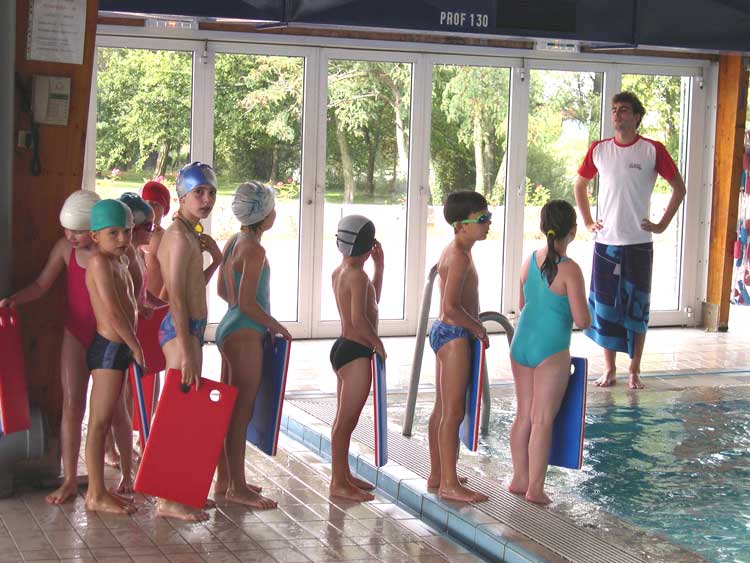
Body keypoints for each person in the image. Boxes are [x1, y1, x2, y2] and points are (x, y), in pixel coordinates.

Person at [574, 92, 686, 389]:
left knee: (637, 306)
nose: (617, 114)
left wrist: (661, 224)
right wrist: (587, 221)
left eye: (623, 110)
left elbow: (679, 187)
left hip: (638, 242)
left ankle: (634, 369)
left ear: (637, 117)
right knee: (605, 307)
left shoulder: (652, 150)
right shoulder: (599, 150)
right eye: (614, 110)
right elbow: (580, 185)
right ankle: (610, 368)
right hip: (606, 242)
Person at [0, 190, 100, 505]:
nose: (71, 236)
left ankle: (117, 477)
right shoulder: (64, 249)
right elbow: (42, 285)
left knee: (111, 412)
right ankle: (69, 480)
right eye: (67, 230)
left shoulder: (108, 253)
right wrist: (14, 300)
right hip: (76, 334)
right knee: (72, 405)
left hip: (108, 337)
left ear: (95, 229)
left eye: (78, 231)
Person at [508, 200, 591, 505]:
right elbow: (582, 320)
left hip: (521, 344)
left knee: (523, 415)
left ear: (543, 227)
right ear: (573, 231)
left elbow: (522, 304)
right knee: (542, 420)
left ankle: (519, 478)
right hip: (551, 349)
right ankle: (535, 488)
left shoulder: (529, 261)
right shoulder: (570, 270)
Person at [214, 182, 290, 510]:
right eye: (272, 208)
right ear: (264, 215)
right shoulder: (255, 251)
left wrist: (245, 314)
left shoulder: (234, 241)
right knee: (240, 413)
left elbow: (223, 290)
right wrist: (275, 325)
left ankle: (225, 480)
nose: (275, 213)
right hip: (245, 333)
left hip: (229, 328)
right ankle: (238, 487)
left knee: (228, 410)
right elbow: (248, 303)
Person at [155, 161, 223, 521]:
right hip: (181, 330)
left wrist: (216, 259)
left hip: (190, 329)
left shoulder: (189, 233)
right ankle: (167, 500)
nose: (206, 199)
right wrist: (187, 350)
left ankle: (177, 491)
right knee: (175, 414)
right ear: (182, 196)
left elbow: (192, 285)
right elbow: (177, 299)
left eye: (211, 192)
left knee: (185, 412)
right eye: (199, 192)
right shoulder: (180, 238)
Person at [427, 191, 490, 504]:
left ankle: (439, 473)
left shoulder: (454, 249)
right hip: (453, 336)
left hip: (443, 333)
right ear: (461, 225)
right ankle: (449, 485)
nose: (488, 223)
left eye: (488, 217)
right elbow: (450, 307)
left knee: (442, 408)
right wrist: (477, 327)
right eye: (482, 219)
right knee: (453, 412)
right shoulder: (460, 257)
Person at [84, 199, 141, 515]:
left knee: (118, 415)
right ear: (95, 236)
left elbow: (130, 301)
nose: (122, 239)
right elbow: (114, 312)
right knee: (99, 422)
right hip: (108, 350)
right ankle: (95, 494)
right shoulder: (98, 263)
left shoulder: (121, 259)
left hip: (119, 349)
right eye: (113, 233)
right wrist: (136, 346)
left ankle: (117, 483)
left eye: (127, 231)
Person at [329, 215, 386, 502]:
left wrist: (379, 268)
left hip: (342, 349)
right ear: (367, 246)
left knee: (342, 421)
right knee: (345, 423)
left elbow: (370, 302)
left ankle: (344, 475)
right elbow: (359, 320)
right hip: (356, 355)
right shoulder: (358, 276)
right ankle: (338, 483)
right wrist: (378, 344)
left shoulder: (341, 272)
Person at [141, 180, 171, 299]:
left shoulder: (164, 239)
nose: (149, 208)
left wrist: (160, 304)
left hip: (157, 302)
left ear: (164, 210)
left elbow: (171, 279)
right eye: (146, 203)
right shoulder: (134, 236)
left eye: (155, 204)